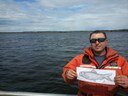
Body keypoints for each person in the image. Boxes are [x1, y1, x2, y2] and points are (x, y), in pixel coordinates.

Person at [62, 30, 128, 96]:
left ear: (106, 41)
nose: (97, 43)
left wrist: (127, 84)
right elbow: (67, 77)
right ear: (90, 43)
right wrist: (68, 74)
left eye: (101, 39)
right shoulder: (79, 58)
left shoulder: (120, 60)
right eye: (93, 40)